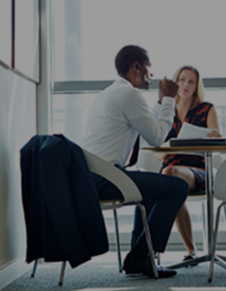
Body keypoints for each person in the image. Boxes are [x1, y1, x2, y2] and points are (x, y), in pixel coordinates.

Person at [81, 45, 190, 279]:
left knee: (153, 189)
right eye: (149, 68)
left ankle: (140, 256)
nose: (152, 75)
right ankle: (141, 254)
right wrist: (170, 99)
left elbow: (147, 123)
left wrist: (161, 102)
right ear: (136, 67)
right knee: (177, 187)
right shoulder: (129, 94)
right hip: (104, 178)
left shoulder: (113, 92)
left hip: (93, 176)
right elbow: (157, 136)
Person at [159, 65, 221, 262]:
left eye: (191, 82)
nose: (185, 85)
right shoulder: (165, 111)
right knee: (169, 175)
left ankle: (190, 249)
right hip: (170, 167)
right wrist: (170, 145)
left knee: (169, 176)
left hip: (199, 170)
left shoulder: (207, 109)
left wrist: (213, 139)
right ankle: (190, 250)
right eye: (182, 79)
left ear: (196, 88)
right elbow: (157, 154)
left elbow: (216, 146)